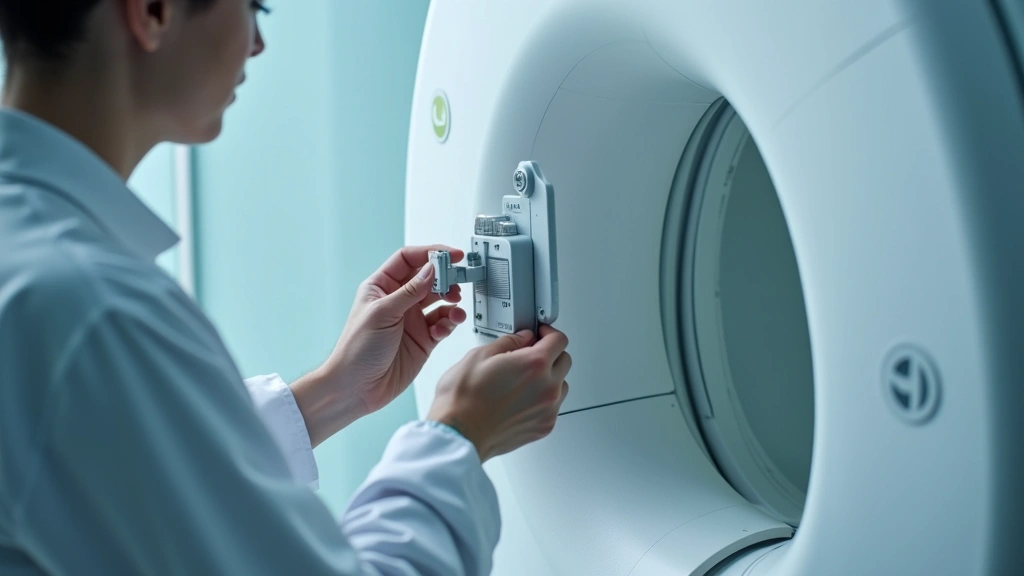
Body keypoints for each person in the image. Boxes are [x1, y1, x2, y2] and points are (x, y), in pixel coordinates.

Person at [0, 1, 572, 574]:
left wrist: (335, 390)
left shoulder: (34, 265)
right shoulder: (92, 313)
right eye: (254, 7)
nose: (258, 44)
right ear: (152, 11)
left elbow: (121, 470)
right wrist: (458, 433)